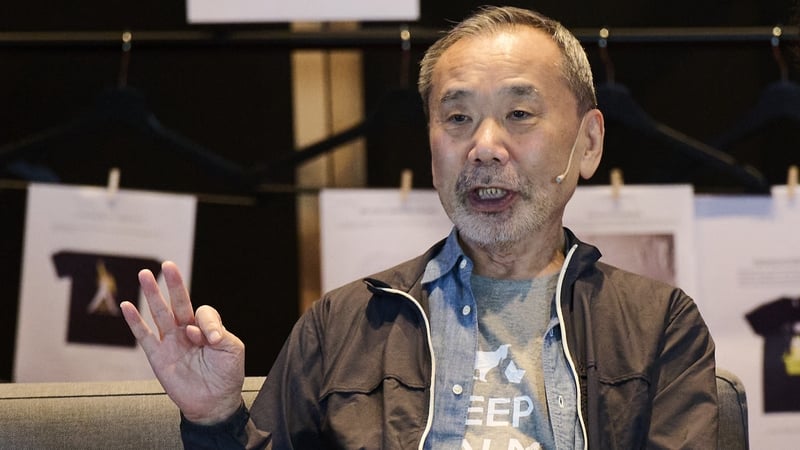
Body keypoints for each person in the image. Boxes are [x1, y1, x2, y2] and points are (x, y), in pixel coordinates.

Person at [121, 5, 718, 449]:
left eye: (518, 113)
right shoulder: (345, 324)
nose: (485, 146)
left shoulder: (659, 325)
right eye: (457, 117)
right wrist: (216, 417)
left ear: (588, 143)